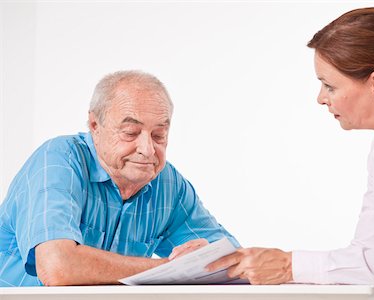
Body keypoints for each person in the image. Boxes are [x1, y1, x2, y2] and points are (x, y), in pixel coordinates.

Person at [205, 7, 374, 300]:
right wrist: (240, 264)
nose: (321, 99)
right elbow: (365, 256)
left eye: (329, 86)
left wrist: (289, 266)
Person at [0, 70, 239, 286]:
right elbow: (58, 266)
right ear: (95, 124)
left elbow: (233, 261)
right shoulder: (58, 160)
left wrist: (255, 262)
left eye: (158, 135)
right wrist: (173, 269)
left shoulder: (168, 183)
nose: (147, 149)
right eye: (130, 133)